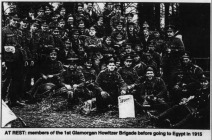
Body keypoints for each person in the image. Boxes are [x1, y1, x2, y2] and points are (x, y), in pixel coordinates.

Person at [2, 15, 27, 107]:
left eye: (17, 21)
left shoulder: (19, 31)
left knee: (17, 80)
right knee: (6, 81)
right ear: (10, 20)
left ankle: (14, 100)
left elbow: (22, 46)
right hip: (8, 60)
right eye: (14, 20)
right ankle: (3, 101)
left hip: (18, 60)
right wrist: (2, 60)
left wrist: (25, 58)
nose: (15, 22)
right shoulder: (4, 31)